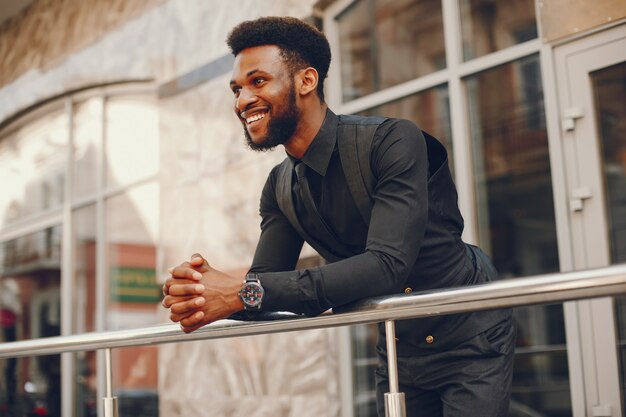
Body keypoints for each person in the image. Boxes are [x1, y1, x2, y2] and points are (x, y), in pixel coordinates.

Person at [162, 16, 515, 417]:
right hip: (399, 345)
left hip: (470, 334)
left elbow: (387, 266)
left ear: (306, 81)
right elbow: (268, 290)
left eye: (258, 82)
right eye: (237, 89)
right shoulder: (279, 187)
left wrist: (241, 290)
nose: (242, 101)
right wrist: (204, 294)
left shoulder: (393, 140)